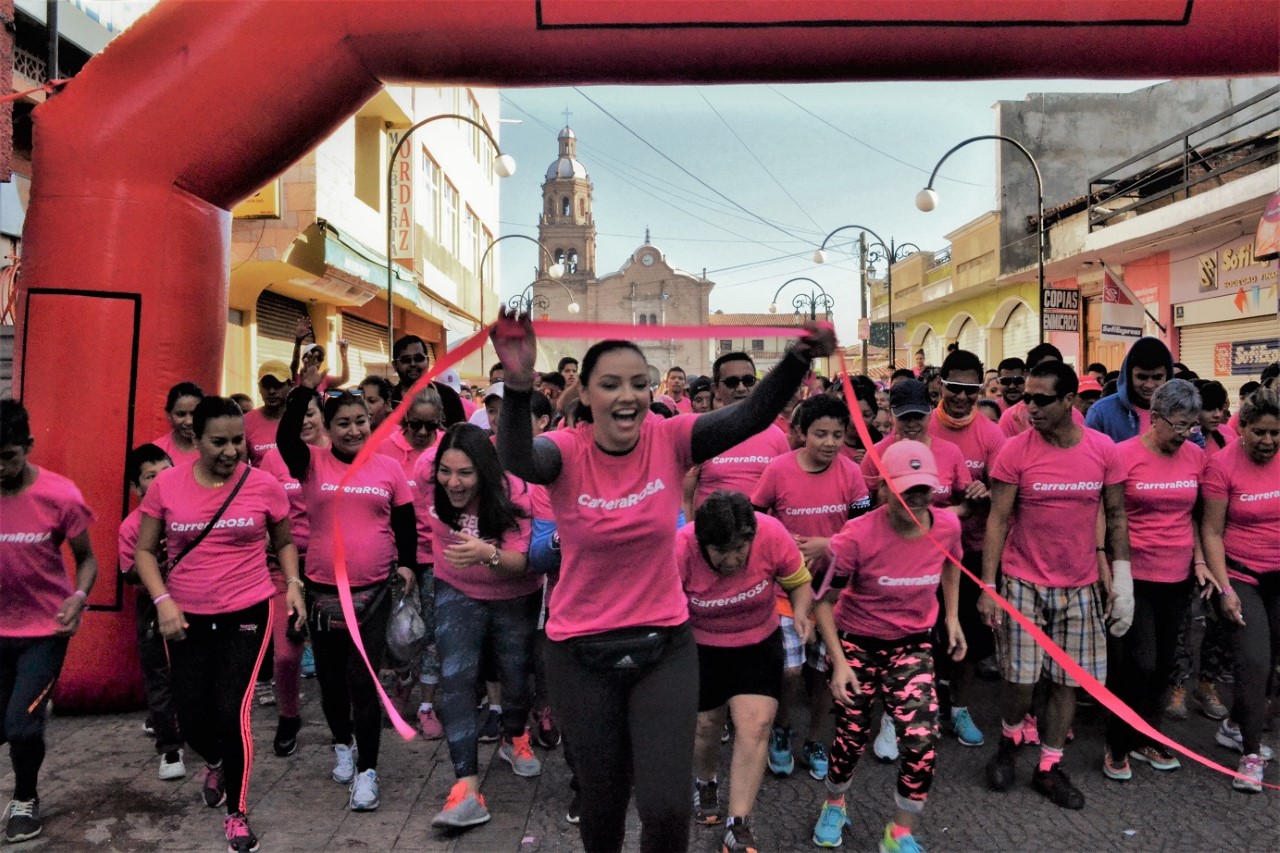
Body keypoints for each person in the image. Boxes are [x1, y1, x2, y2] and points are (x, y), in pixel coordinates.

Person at [493, 310, 835, 853]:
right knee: (603, 803)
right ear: (586, 397)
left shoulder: (671, 438)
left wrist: (798, 358)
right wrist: (516, 385)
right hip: (579, 652)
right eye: (610, 384)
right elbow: (514, 456)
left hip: (665, 647)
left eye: (638, 382)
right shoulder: (566, 451)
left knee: (666, 806)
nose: (626, 395)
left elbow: (749, 415)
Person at [133, 396, 301, 853]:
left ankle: (238, 813)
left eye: (237, 441)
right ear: (196, 439)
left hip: (246, 611)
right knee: (190, 719)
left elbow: (283, 542)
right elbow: (145, 551)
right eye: (218, 442)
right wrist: (163, 600)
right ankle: (217, 762)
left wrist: (293, 584)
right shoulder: (166, 485)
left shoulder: (264, 486)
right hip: (184, 614)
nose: (230, 451)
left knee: (232, 710)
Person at [978, 361, 1131, 811]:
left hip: (1081, 584)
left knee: (1068, 681)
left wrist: (1120, 577)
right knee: (1020, 681)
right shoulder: (1015, 451)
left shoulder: (1103, 450)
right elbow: (998, 520)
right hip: (1023, 579)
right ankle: (1009, 739)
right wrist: (989, 586)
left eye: (1041, 399)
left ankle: (1049, 765)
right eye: (1026, 397)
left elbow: (1117, 516)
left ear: (1069, 401)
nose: (1029, 407)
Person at [810, 440, 965, 853]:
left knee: (920, 737)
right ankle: (835, 802)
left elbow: (952, 564)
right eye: (904, 492)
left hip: (911, 645)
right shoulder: (855, 537)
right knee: (852, 735)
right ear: (883, 489)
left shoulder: (947, 526)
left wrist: (951, 617)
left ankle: (899, 833)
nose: (914, 500)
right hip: (856, 644)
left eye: (922, 491)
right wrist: (839, 663)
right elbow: (822, 602)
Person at [276, 385, 416, 813]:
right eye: (343, 423)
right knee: (332, 681)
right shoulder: (310, 463)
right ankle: (342, 743)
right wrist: (302, 392)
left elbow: (405, 522)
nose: (354, 430)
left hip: (373, 594)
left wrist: (408, 564)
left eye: (360, 421)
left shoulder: (388, 468)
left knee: (363, 681)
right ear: (327, 428)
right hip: (321, 591)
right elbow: (285, 438)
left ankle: (368, 771)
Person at [419, 425, 540, 829]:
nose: (453, 482)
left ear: (484, 473)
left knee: (516, 676)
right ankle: (466, 788)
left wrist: (487, 554)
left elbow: (522, 564)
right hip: (456, 588)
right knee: (456, 678)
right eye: (446, 471)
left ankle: (514, 736)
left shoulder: (515, 493)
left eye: (465, 473)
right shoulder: (427, 476)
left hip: (514, 594)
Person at [679, 492, 813, 853]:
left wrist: (800, 612)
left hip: (757, 640)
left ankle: (738, 825)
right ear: (703, 543)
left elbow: (799, 582)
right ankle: (705, 781)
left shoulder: (771, 533)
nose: (733, 559)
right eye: (722, 551)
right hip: (702, 645)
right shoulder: (680, 550)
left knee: (754, 726)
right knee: (706, 726)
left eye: (741, 548)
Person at [751, 395, 870, 782]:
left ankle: (816, 738)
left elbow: (864, 528)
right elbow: (756, 519)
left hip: (834, 591)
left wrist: (828, 545)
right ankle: (782, 729)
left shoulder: (850, 472)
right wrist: (783, 540)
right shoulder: (777, 470)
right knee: (790, 670)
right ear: (801, 432)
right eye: (821, 434)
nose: (830, 443)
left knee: (824, 670)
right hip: (786, 591)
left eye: (838, 434)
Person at [0, 400, 99, 845]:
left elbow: (87, 561)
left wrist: (78, 598)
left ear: (28, 447)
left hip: (44, 631)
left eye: (7, 457)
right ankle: (32, 709)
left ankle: (25, 798)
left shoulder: (60, 495)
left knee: (20, 726)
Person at [1103, 380, 1205, 781]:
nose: (1184, 434)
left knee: (1165, 663)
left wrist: (1199, 561)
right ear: (1155, 417)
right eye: (1178, 426)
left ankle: (1148, 735)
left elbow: (1198, 518)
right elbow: (1111, 515)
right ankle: (1117, 742)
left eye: (1191, 426)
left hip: (1177, 574)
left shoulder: (1196, 457)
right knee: (1138, 662)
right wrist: (1110, 569)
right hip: (1135, 574)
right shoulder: (1122, 455)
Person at [1199, 387, 1280, 793]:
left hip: (1278, 578)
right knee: (1253, 663)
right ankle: (1250, 754)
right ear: (1242, 428)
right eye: (1260, 433)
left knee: (1272, 668)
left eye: (1276, 434)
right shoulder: (1221, 465)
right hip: (1241, 576)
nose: (1268, 442)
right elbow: (1211, 531)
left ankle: (1234, 725)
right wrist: (1225, 589)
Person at [928, 349, 1005, 749]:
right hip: (921, 552)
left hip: (972, 549)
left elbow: (1006, 494)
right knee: (926, 637)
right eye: (954, 388)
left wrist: (987, 490)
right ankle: (921, 707)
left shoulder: (992, 435)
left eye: (970, 391)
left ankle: (959, 708)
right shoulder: (922, 427)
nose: (960, 398)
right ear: (941, 383)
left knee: (970, 640)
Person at [257, 390, 328, 756]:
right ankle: (289, 714)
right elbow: (259, 508)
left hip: (330, 568)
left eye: (311, 414)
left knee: (335, 653)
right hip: (282, 569)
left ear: (323, 416)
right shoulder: (271, 460)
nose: (304, 422)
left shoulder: (338, 454)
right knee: (285, 655)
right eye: (297, 416)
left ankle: (341, 721)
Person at [118, 443, 183, 781]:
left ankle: (198, 731)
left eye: (166, 471)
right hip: (152, 606)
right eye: (150, 476)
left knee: (194, 670)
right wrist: (152, 558)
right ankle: (169, 747)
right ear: (136, 486)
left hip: (193, 599)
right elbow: (127, 571)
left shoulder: (188, 514)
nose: (160, 480)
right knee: (158, 674)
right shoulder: (132, 526)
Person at [688, 352, 791, 509]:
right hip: (709, 531)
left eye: (748, 381)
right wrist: (690, 532)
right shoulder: (700, 434)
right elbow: (685, 499)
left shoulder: (777, 436)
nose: (741, 388)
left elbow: (786, 493)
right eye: (732, 382)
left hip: (762, 531)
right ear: (716, 389)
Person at [1085, 336, 1174, 442]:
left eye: (1157, 377)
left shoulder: (1181, 410)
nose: (1149, 385)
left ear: (1167, 376)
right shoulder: (1101, 413)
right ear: (1128, 375)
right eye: (1141, 377)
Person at [389, 334, 466, 424]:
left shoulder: (448, 396)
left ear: (428, 361)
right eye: (406, 360)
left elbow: (461, 435)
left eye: (419, 358)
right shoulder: (388, 401)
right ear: (394, 365)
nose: (413, 364)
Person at [243, 361, 292, 466]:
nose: (271, 391)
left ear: (290, 386)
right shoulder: (246, 422)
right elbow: (241, 469)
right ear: (259, 388)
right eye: (266, 385)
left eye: (277, 385)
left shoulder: (303, 418)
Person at [290, 317, 350, 393]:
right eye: (312, 356)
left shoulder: (324, 380)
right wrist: (298, 342)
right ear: (303, 359)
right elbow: (295, 363)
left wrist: (344, 355)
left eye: (320, 358)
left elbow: (345, 379)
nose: (316, 361)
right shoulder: (295, 377)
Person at [153, 382, 205, 465]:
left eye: (194, 413)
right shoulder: (157, 451)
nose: (189, 421)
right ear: (169, 415)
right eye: (181, 414)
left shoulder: (215, 447)